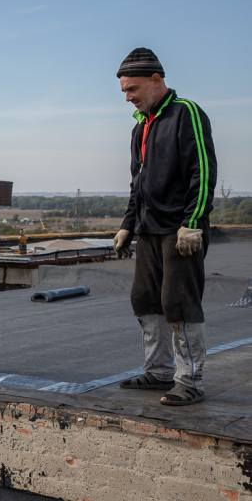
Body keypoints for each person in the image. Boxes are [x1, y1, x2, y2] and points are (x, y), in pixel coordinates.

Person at [113, 48, 217, 405]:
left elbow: (202, 171)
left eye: (133, 89)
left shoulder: (186, 113)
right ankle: (158, 371)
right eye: (125, 91)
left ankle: (190, 381)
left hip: (179, 231)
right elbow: (138, 184)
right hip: (148, 229)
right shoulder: (139, 127)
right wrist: (128, 225)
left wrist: (192, 223)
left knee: (179, 302)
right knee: (144, 300)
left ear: (156, 80)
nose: (128, 97)